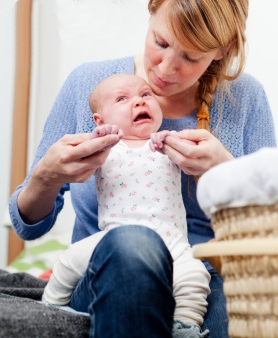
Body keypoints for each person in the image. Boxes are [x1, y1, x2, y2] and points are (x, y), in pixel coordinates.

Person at [8, 0, 277, 337]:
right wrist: (46, 176)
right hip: (110, 269)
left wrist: (226, 171)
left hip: (203, 279)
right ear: (150, 12)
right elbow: (27, 228)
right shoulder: (89, 86)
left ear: (224, 50)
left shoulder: (245, 99)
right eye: (160, 43)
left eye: (191, 58)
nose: (165, 70)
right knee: (134, 244)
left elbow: (271, 233)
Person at [41, 73, 210, 337]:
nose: (139, 103)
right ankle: (51, 305)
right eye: (122, 99)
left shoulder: (166, 144)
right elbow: (85, 152)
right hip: (113, 238)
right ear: (100, 120)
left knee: (195, 275)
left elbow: (195, 156)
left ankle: (185, 324)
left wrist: (176, 142)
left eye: (145, 95)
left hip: (172, 240)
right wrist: (101, 136)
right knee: (69, 260)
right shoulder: (106, 147)